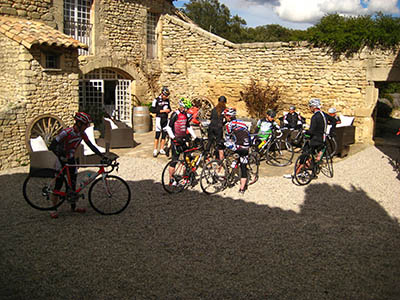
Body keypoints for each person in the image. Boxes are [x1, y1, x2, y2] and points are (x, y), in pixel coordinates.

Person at [48, 112, 107, 219]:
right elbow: (52, 145)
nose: (87, 127)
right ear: (79, 123)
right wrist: (60, 156)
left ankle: (73, 207)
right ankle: (53, 208)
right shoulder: (66, 132)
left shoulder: (81, 134)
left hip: (71, 160)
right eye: (86, 125)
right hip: (61, 159)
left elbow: (91, 145)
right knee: (59, 184)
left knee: (72, 185)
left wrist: (101, 156)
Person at [165, 97, 198, 185]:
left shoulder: (185, 115)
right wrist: (172, 137)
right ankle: (171, 179)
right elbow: (168, 127)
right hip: (176, 140)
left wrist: (195, 136)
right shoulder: (175, 114)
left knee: (188, 158)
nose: (187, 110)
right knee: (174, 160)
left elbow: (188, 126)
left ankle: (185, 177)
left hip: (183, 139)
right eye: (186, 108)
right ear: (181, 106)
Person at [223, 108, 250, 194]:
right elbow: (248, 135)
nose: (225, 117)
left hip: (238, 147)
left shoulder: (228, 125)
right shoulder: (243, 123)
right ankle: (242, 189)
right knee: (243, 167)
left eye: (226, 116)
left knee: (229, 152)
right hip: (246, 146)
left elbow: (228, 138)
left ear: (229, 117)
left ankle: (231, 170)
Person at [150, 86, 171, 157]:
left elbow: (169, 108)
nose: (166, 97)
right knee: (157, 135)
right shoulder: (156, 100)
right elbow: (152, 110)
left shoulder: (167, 101)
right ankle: (155, 150)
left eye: (167, 96)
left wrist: (168, 111)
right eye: (165, 95)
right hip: (159, 118)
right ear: (162, 94)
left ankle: (161, 149)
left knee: (164, 135)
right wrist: (162, 111)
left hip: (165, 118)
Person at [206, 95, 227, 160]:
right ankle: (219, 158)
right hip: (218, 128)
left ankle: (206, 156)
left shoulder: (214, 109)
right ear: (225, 102)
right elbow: (226, 119)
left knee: (210, 141)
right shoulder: (224, 110)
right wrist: (223, 124)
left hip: (211, 127)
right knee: (219, 143)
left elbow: (211, 118)